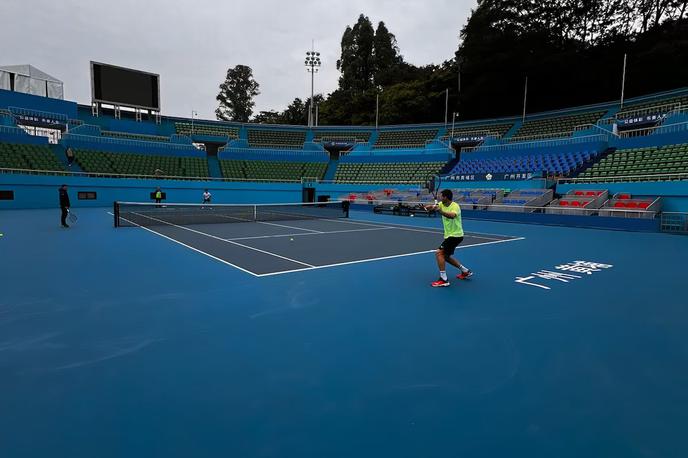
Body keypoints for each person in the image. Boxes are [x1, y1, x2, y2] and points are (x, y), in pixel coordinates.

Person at [425, 189, 473, 287]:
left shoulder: (455, 206)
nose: (440, 197)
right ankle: (465, 271)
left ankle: (443, 279)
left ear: (446, 197)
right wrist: (428, 207)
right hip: (450, 235)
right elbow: (433, 207)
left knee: (439, 253)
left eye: (441, 196)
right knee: (445, 256)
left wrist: (440, 211)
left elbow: (452, 216)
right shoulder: (441, 204)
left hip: (456, 235)